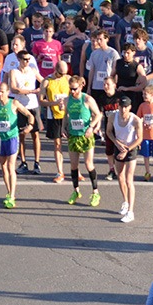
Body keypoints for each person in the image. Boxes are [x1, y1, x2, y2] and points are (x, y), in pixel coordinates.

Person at [64, 75, 103, 208]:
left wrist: (91, 127)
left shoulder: (87, 99)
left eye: (74, 89)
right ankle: (76, 191)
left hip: (86, 135)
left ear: (81, 86)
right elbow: (66, 114)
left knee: (88, 164)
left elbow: (98, 114)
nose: (72, 91)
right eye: (70, 89)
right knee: (74, 166)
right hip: (73, 135)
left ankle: (95, 192)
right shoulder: (67, 100)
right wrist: (64, 127)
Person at [107, 96, 142, 223]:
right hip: (119, 147)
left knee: (128, 180)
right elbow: (109, 132)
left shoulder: (135, 120)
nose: (123, 109)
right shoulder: (112, 117)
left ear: (130, 107)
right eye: (121, 107)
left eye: (126, 107)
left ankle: (130, 212)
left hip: (130, 148)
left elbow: (139, 138)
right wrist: (117, 143)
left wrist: (126, 149)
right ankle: (125, 201)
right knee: (120, 176)